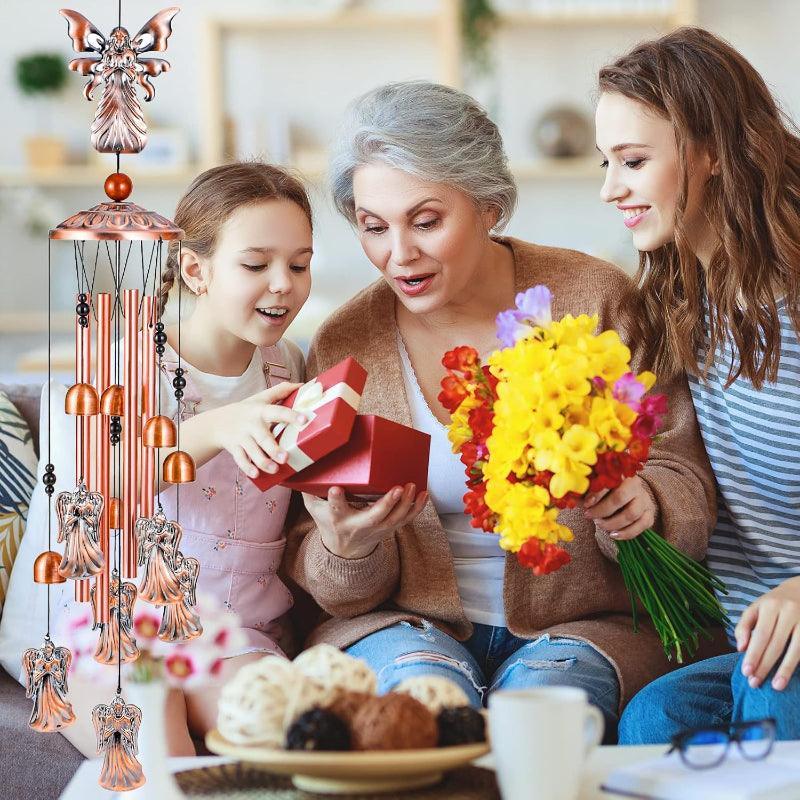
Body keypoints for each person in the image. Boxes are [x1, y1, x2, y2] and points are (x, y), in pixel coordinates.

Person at [285, 81, 717, 740]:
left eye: (426, 221)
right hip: (406, 627)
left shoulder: (595, 299)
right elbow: (333, 580)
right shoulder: (346, 345)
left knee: (535, 718)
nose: (398, 254)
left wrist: (644, 503)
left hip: (585, 625)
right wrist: (348, 547)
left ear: (490, 205)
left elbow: (681, 474)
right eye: (374, 227)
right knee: (427, 715)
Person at [63, 162, 314, 757]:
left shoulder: (289, 365)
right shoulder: (126, 360)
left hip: (238, 633)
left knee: (289, 738)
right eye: (256, 265)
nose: (283, 283)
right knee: (153, 737)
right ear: (196, 269)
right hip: (119, 628)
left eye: (299, 264)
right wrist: (216, 427)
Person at [595, 27, 800, 743]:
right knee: (652, 722)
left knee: (773, 698)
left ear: (710, 152)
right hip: (747, 638)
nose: (609, 188)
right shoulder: (683, 303)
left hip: (789, 636)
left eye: (633, 161)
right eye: (606, 162)